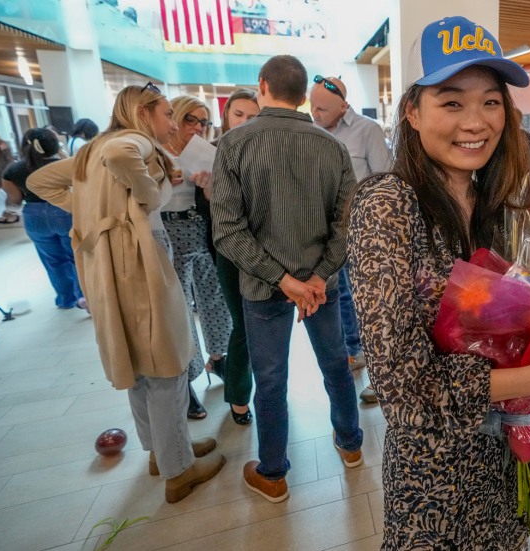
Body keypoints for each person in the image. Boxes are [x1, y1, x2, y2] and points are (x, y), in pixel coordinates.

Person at [347, 16, 530, 549]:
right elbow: (404, 394)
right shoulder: (389, 206)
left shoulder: (505, 207)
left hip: (516, 456)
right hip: (441, 479)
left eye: (490, 102)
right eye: (451, 102)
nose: (476, 122)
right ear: (412, 111)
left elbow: (526, 322)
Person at [27, 83, 225, 503]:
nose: (172, 123)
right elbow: (124, 164)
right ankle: (180, 471)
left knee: (139, 361)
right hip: (139, 260)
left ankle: (163, 453)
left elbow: (39, 180)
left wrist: (93, 210)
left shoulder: (92, 149)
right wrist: (147, 191)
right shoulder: (133, 143)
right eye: (167, 114)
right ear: (143, 113)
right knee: (167, 361)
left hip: (106, 265)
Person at [211, 55, 363, 504]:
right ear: (303, 96)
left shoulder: (234, 145)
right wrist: (314, 277)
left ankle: (273, 472)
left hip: (261, 288)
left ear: (262, 86)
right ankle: (351, 445)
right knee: (336, 365)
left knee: (271, 380)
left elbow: (227, 231)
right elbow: (347, 225)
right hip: (322, 286)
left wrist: (282, 279)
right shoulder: (332, 146)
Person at [309, 74, 392, 405]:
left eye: (323, 109)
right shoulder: (311, 133)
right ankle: (354, 352)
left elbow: (386, 181)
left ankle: (382, 378)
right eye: (312, 107)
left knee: (373, 304)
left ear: (344, 106)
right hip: (326, 236)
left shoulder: (367, 130)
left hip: (364, 235)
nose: (316, 114)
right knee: (341, 299)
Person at [162, 95, 233, 420]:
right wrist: (164, 182)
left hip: (202, 227)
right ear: (175, 118)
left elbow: (217, 201)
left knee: (213, 299)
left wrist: (208, 188)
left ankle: (218, 357)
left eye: (203, 121)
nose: (197, 127)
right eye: (190, 119)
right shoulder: (155, 151)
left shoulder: (205, 151)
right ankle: (188, 379)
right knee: (179, 308)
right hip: (167, 231)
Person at [201, 88, 261, 425]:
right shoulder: (211, 151)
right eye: (238, 115)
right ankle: (239, 396)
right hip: (227, 250)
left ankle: (259, 390)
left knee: (259, 326)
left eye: (252, 116)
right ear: (226, 116)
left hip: (264, 246)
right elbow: (209, 217)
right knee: (243, 325)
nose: (244, 122)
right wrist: (207, 192)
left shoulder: (265, 148)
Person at [0, 129, 85, 310]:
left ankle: (65, 299)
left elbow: (14, 200)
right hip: (63, 210)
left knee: (53, 261)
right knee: (77, 256)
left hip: (33, 215)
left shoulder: (12, 170)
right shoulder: (63, 164)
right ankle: (84, 297)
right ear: (53, 145)